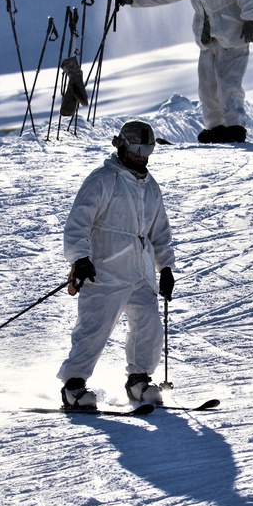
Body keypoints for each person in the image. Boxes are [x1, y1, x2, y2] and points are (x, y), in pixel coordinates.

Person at [58, 120, 176, 409]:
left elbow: (159, 231)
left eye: (147, 149)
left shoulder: (150, 187)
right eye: (136, 149)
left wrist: (166, 267)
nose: (142, 156)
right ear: (121, 145)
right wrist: (81, 258)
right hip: (105, 271)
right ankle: (73, 386)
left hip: (139, 271)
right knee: (94, 329)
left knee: (148, 324)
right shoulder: (103, 179)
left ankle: (139, 379)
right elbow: (78, 223)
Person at [116, 0, 253, 144]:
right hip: (207, 38)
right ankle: (216, 129)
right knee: (207, 88)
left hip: (232, 35)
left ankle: (235, 128)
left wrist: (250, 18)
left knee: (229, 84)